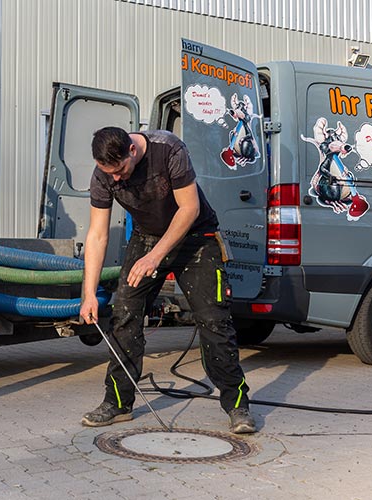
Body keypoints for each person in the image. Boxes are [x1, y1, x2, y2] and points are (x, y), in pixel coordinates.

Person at [78, 126, 256, 434]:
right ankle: (118, 402)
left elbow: (190, 208)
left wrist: (155, 258)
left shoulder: (169, 150)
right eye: (111, 173)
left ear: (131, 150)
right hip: (147, 238)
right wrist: (89, 294)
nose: (117, 179)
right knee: (124, 315)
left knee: (214, 320)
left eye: (120, 170)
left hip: (197, 237)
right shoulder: (103, 175)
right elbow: (97, 235)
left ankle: (237, 404)